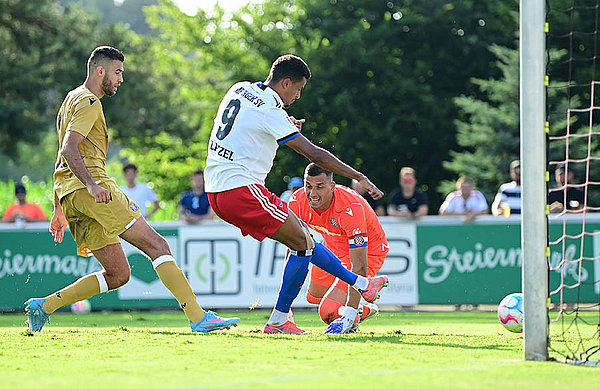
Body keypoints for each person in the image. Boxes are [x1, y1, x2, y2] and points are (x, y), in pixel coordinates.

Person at [24, 46, 238, 334]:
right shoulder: (89, 102)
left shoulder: (70, 100)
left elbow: (60, 160)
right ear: (100, 71)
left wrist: (58, 209)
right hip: (94, 189)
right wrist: (91, 184)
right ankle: (199, 318)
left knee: (119, 274)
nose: (121, 79)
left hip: (71, 196)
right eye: (117, 72)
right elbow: (68, 148)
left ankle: (43, 306)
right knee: (158, 246)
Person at [204, 54, 388, 334]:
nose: (299, 96)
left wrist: (283, 124)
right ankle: (359, 285)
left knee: (304, 243)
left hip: (215, 190)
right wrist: (358, 176)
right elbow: (314, 153)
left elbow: (248, 126)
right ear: (286, 82)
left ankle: (281, 319)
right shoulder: (271, 112)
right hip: (241, 189)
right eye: (298, 89)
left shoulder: (239, 89)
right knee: (306, 240)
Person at [288, 163, 388, 333]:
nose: (312, 194)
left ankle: (359, 304)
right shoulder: (297, 202)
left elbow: (360, 265)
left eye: (319, 187)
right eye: (308, 186)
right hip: (333, 249)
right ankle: (364, 301)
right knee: (313, 296)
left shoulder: (350, 207)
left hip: (368, 252)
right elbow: (293, 247)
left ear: (332, 186)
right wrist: (285, 307)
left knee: (328, 312)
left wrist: (348, 315)